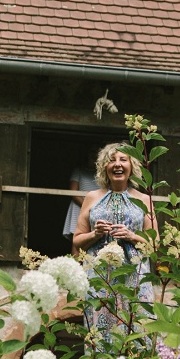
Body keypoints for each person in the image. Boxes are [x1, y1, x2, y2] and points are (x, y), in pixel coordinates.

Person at [71, 142, 156, 342]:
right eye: (111, 160)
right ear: (104, 167)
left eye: (123, 160)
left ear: (132, 167)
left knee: (138, 330)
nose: (117, 164)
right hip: (99, 276)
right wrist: (95, 234)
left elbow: (155, 244)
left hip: (135, 278)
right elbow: (77, 240)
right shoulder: (92, 197)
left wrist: (132, 236)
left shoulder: (144, 199)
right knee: (100, 333)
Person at [62, 148, 101, 242]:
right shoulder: (79, 170)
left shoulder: (102, 174)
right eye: (92, 153)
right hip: (79, 206)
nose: (94, 156)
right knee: (78, 239)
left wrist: (96, 208)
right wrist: (87, 206)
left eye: (96, 153)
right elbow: (73, 191)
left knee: (96, 237)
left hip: (98, 208)